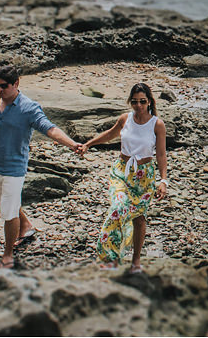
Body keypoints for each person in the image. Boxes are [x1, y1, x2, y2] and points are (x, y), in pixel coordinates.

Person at [0, 64, 80, 269]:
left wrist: (72, 144)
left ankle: (8, 253)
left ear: (16, 83)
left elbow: (49, 128)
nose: (0, 89)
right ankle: (26, 225)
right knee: (4, 205)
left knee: (9, 213)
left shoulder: (29, 108)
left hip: (14, 168)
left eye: (4, 85)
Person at [77, 82, 168, 273]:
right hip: (122, 171)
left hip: (144, 177)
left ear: (150, 102)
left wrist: (163, 180)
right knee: (118, 208)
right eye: (134, 101)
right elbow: (110, 134)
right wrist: (88, 144)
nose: (138, 105)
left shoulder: (157, 124)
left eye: (142, 101)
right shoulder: (125, 119)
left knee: (139, 218)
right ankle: (109, 257)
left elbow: (161, 154)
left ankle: (136, 260)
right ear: (130, 102)